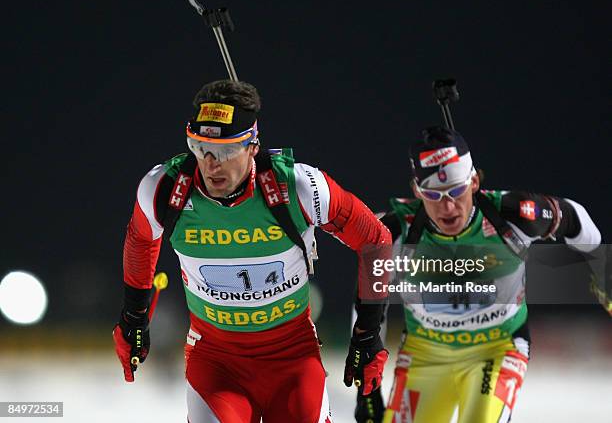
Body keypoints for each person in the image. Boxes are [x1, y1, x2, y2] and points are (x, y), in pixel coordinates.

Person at [111, 79, 391, 422]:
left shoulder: (299, 187)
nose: (212, 164)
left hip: (292, 359)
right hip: (215, 361)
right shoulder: (164, 189)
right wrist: (133, 318)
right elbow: (141, 239)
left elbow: (375, 240)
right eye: (200, 147)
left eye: (227, 151)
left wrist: (367, 335)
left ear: (252, 147)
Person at [353, 126, 603, 423]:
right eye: (433, 194)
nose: (448, 207)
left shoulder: (513, 216)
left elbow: (573, 217)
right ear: (417, 191)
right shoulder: (395, 232)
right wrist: (366, 391)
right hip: (426, 353)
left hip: (496, 349)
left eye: (456, 191)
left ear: (473, 181)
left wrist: (602, 269)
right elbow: (366, 308)